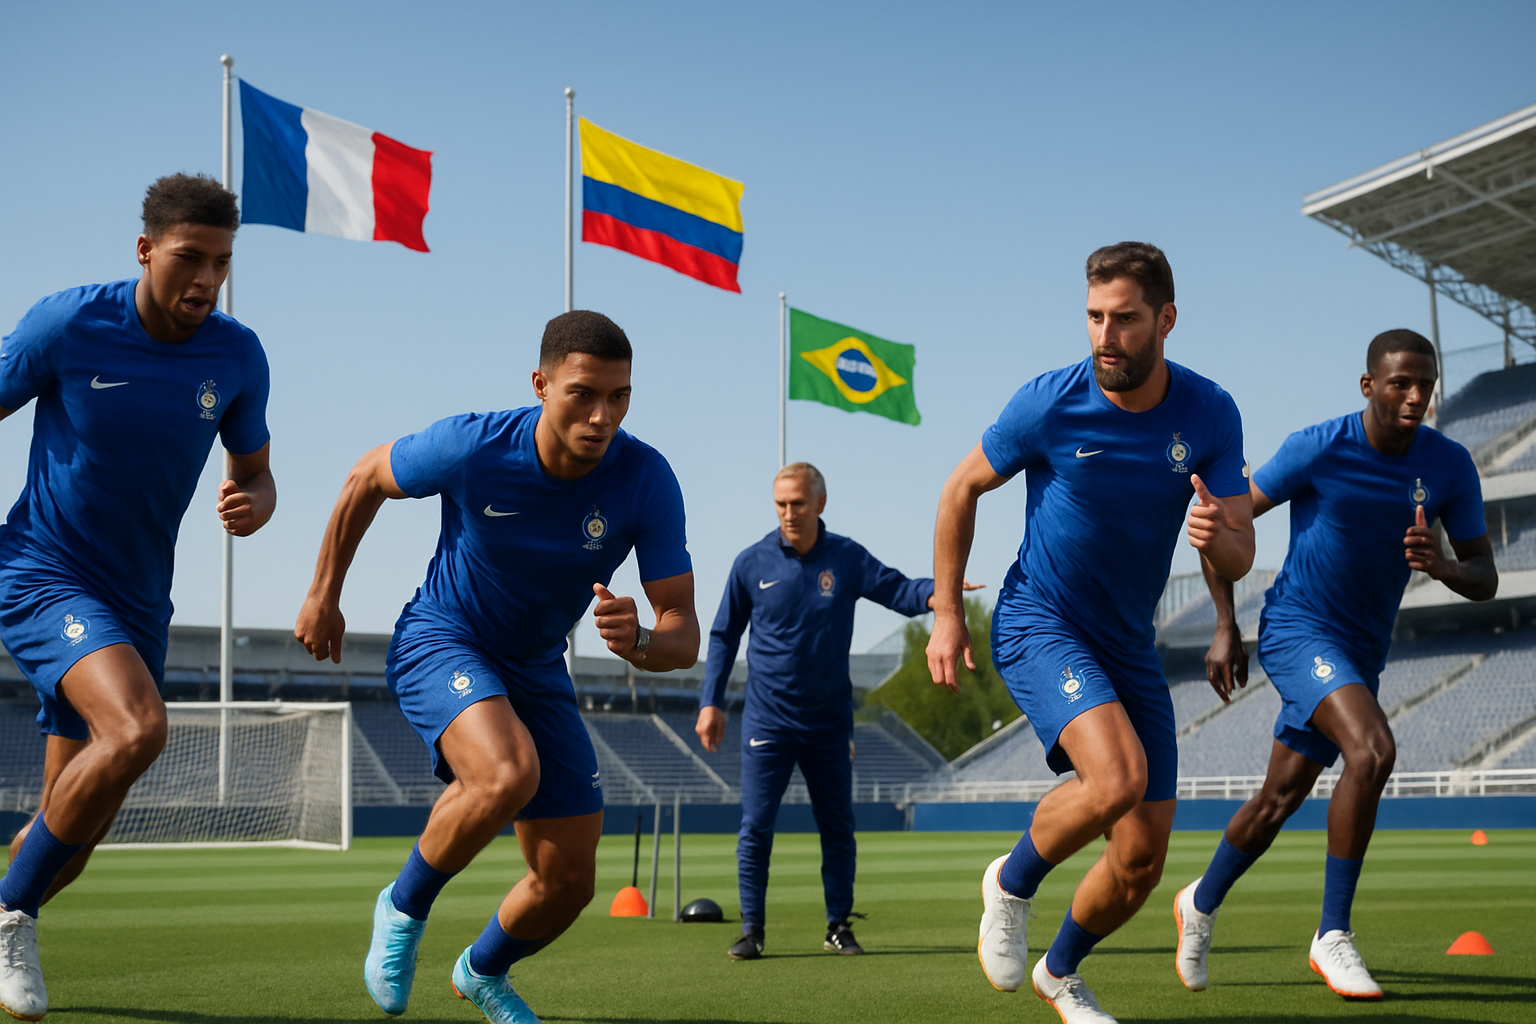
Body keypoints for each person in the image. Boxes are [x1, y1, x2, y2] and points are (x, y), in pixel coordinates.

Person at [295, 310, 698, 1023]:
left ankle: (482, 971)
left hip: (537, 667)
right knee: (508, 772)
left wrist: (638, 639)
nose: (602, 416)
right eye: (582, 394)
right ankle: (402, 908)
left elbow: (682, 635)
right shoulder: (473, 445)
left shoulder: (646, 478)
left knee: (569, 881)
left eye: (619, 397)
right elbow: (366, 476)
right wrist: (324, 594)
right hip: (443, 639)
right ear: (540, 385)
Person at [927, 242, 1254, 1024]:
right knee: (1116, 780)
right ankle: (1010, 885)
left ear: (1166, 320)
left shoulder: (1211, 412)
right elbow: (960, 488)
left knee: (1141, 861)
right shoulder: (1049, 403)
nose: (1107, 335)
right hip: (1041, 620)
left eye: (1126, 319)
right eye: (1095, 317)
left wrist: (1217, 537)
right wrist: (945, 611)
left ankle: (1060, 972)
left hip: (1128, 643)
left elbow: (1241, 552)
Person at [0, 174, 276, 1021]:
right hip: (44, 573)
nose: (206, 279)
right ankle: (11, 918)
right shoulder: (68, 324)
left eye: (221, 263)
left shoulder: (238, 356)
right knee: (138, 728)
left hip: (138, 604)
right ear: (146, 250)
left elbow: (257, 475)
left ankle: (14, 895)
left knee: (70, 832)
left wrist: (253, 504)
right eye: (190, 258)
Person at [1172, 329, 1496, 1000]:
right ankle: (1333, 934)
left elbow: (1485, 576)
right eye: (1400, 383)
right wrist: (1226, 627)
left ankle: (1197, 903)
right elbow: (1226, 527)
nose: (1415, 396)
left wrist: (1441, 565)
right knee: (1372, 751)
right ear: (1368, 385)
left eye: (1425, 384)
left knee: (1277, 801)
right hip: (1297, 630)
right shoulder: (1319, 446)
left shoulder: (1449, 465)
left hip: (1361, 651)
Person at [698, 463, 974, 961]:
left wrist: (939, 594)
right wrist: (710, 702)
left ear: (820, 504)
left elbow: (895, 589)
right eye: (781, 504)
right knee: (756, 826)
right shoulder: (750, 563)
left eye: (798, 503)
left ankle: (837, 926)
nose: (788, 513)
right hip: (767, 721)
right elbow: (723, 636)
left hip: (828, 722)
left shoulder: (845, 557)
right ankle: (752, 929)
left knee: (837, 826)